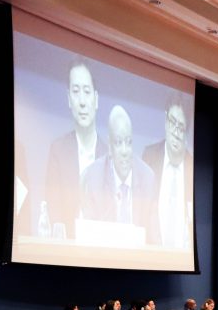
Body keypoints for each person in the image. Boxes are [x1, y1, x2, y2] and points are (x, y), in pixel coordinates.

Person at [43, 58, 107, 239]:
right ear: (68, 99)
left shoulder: (109, 156)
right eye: (76, 91)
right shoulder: (58, 151)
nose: (82, 101)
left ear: (96, 99)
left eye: (87, 92)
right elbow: (54, 215)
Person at [79, 105, 160, 244]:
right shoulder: (94, 177)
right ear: (110, 147)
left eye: (128, 142)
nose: (124, 151)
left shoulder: (147, 178)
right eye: (118, 143)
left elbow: (155, 241)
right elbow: (88, 239)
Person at [141, 93, 193, 250]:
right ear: (165, 120)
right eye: (172, 122)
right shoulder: (149, 157)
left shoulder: (192, 166)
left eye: (181, 127)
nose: (175, 133)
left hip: (183, 259)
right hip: (151, 255)